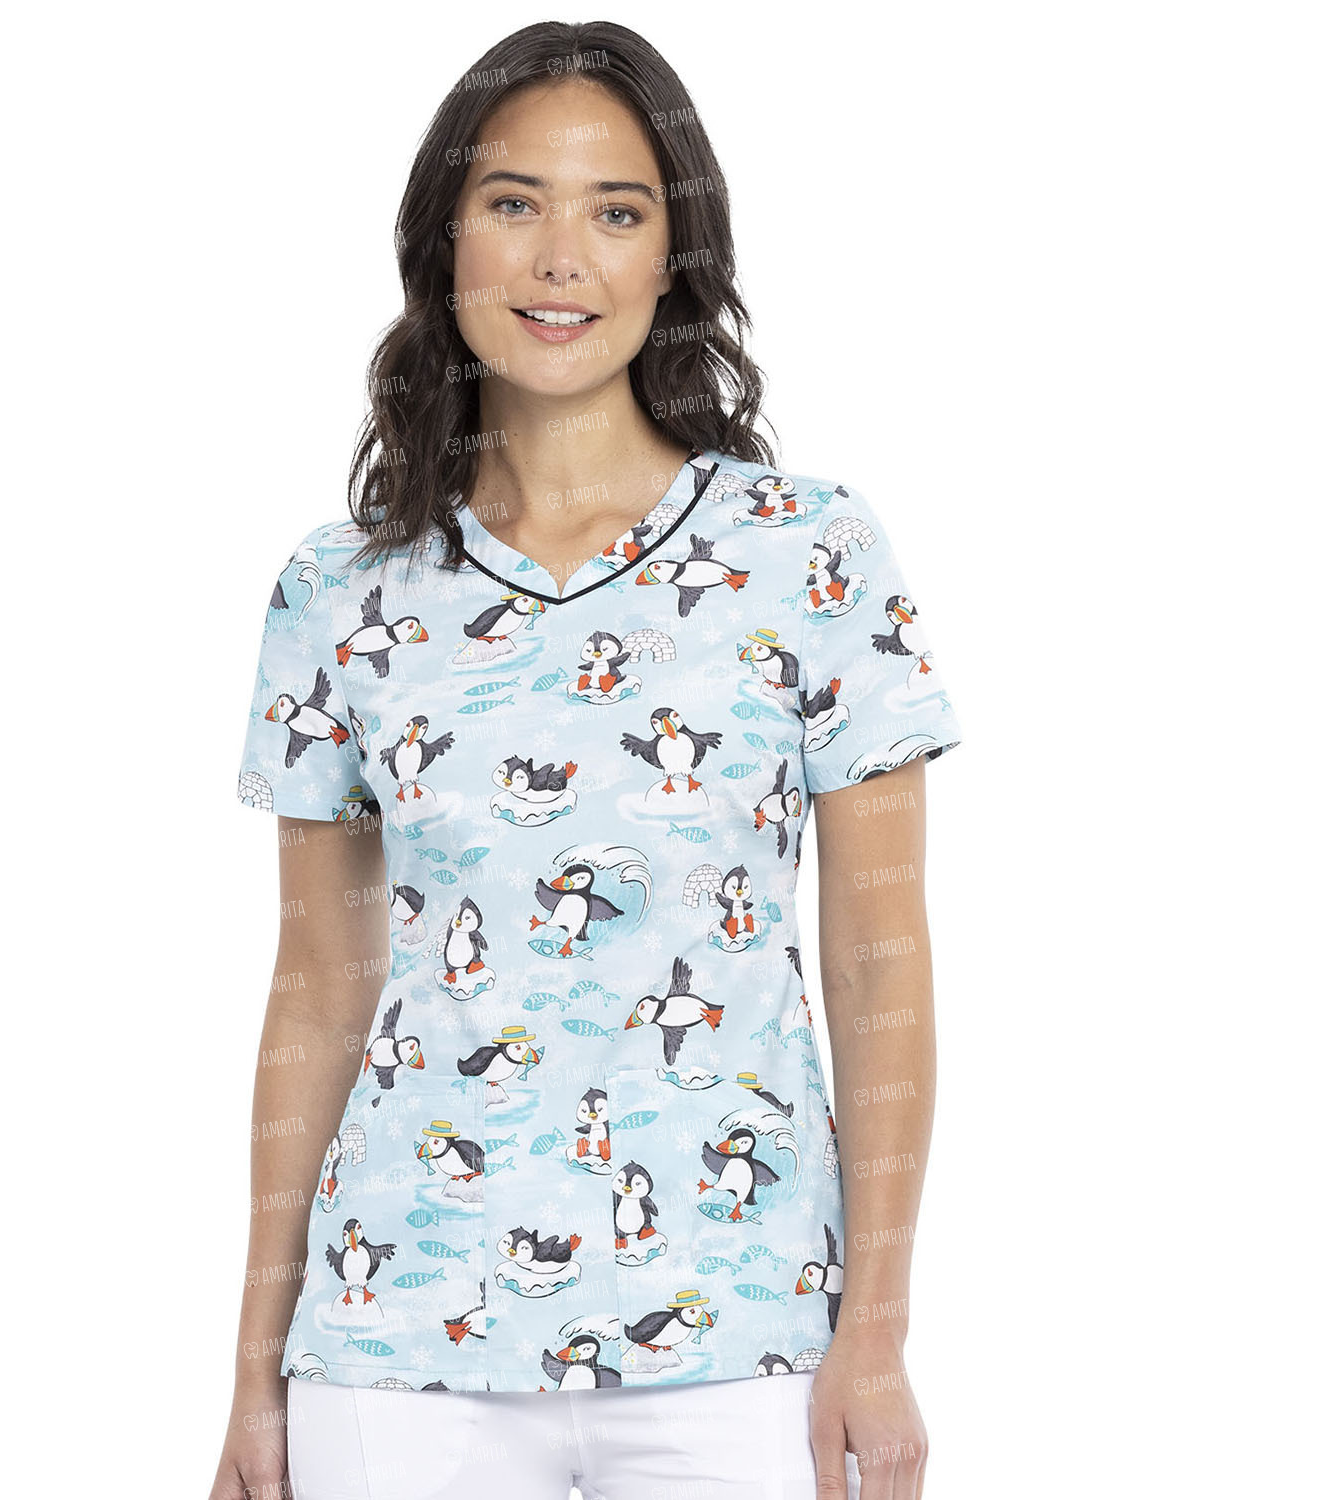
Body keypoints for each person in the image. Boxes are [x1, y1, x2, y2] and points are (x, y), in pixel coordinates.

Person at [212, 20, 962, 1500]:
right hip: (393, 1343)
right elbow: (318, 987)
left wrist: (873, 1332)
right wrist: (255, 1365)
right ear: (443, 239)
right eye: (515, 203)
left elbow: (879, 960)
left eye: (617, 212)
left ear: (675, 257)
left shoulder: (807, 553)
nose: (563, 260)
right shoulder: (339, 590)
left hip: (744, 1335)